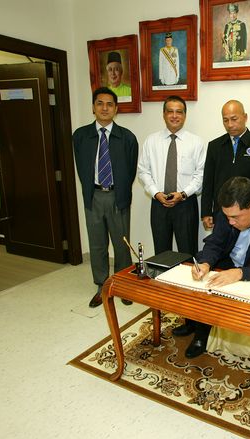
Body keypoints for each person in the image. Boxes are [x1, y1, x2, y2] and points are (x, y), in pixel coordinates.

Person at [174, 176, 250, 359]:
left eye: (234, 217)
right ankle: (200, 331)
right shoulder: (229, 210)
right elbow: (216, 242)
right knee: (201, 277)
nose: (230, 221)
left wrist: (241, 273)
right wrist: (206, 263)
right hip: (229, 260)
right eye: (227, 217)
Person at [72, 87, 138, 308]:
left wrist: (121, 192)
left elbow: (130, 171)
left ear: (116, 109)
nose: (104, 108)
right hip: (93, 196)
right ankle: (102, 285)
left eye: (110, 104)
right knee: (97, 244)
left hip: (118, 196)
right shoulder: (80, 136)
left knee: (122, 244)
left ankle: (123, 285)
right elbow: (82, 167)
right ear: (93, 107)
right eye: (100, 103)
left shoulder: (127, 137)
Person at [138, 95, 205, 257]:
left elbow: (201, 174)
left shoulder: (196, 142)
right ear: (164, 114)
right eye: (170, 111)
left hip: (186, 204)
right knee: (161, 253)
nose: (174, 116)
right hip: (159, 203)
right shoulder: (151, 141)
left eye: (179, 112)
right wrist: (156, 193)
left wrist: (183, 194)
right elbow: (143, 171)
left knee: (188, 252)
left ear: (185, 115)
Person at [201, 100, 250, 230]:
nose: (230, 124)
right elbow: (208, 183)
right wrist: (206, 212)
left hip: (249, 215)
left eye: (234, 119)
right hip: (222, 214)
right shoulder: (215, 146)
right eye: (225, 120)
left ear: (245, 117)